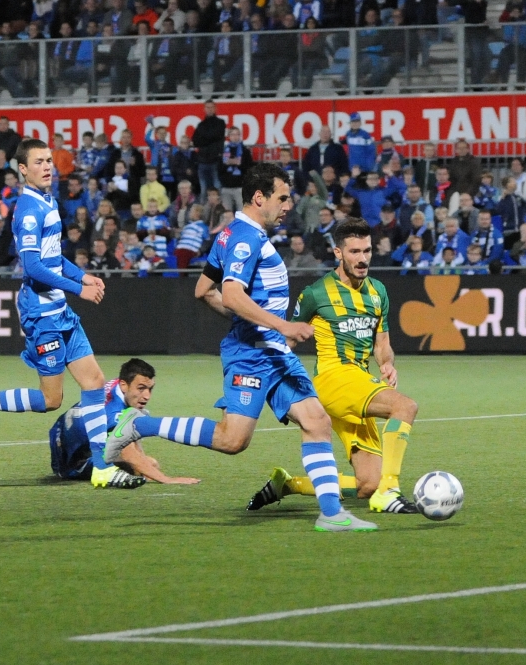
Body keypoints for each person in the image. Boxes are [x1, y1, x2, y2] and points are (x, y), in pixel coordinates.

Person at [107, 163, 377, 531]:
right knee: (233, 441)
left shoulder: (232, 233)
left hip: (272, 352)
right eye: (282, 198)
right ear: (259, 197)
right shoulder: (246, 238)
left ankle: (331, 514)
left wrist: (256, 324)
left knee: (317, 421)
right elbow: (231, 294)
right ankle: (139, 425)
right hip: (251, 355)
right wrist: (282, 325)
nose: (287, 206)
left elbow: (204, 290)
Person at [0, 138, 143, 490]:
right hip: (41, 315)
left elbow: (52, 258)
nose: (47, 166)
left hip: (59, 309)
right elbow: (31, 267)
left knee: (93, 382)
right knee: (51, 400)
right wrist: (79, 289)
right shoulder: (28, 211)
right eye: (39, 162)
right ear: (23, 170)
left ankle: (102, 468)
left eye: (49, 160)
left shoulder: (48, 201)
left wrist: (81, 274)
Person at [248, 217, 419, 514]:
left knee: (367, 484)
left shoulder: (378, 291)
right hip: (333, 379)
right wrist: (269, 382)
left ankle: (287, 484)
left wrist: (387, 365)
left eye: (367, 251)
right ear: (338, 253)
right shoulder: (316, 293)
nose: (363, 259)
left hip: (359, 382)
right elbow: (287, 341)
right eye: (355, 252)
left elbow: (382, 344)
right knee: (405, 407)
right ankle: (390, 492)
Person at [49, 358, 198, 483]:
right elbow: (128, 454)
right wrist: (167, 480)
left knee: (145, 463)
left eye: (150, 389)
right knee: (148, 464)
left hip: (61, 430)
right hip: (71, 460)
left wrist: (142, 462)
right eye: (141, 388)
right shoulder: (114, 411)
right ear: (124, 385)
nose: (147, 396)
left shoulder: (117, 386)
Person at [192, 100, 227, 195]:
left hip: (215, 161)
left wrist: (204, 138)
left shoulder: (220, 123)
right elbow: (195, 141)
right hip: (202, 161)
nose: (209, 109)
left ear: (215, 109)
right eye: (207, 107)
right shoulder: (201, 125)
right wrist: (210, 139)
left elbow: (215, 135)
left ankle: (218, 208)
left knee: (216, 187)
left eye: (211, 107)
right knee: (203, 189)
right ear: (204, 109)